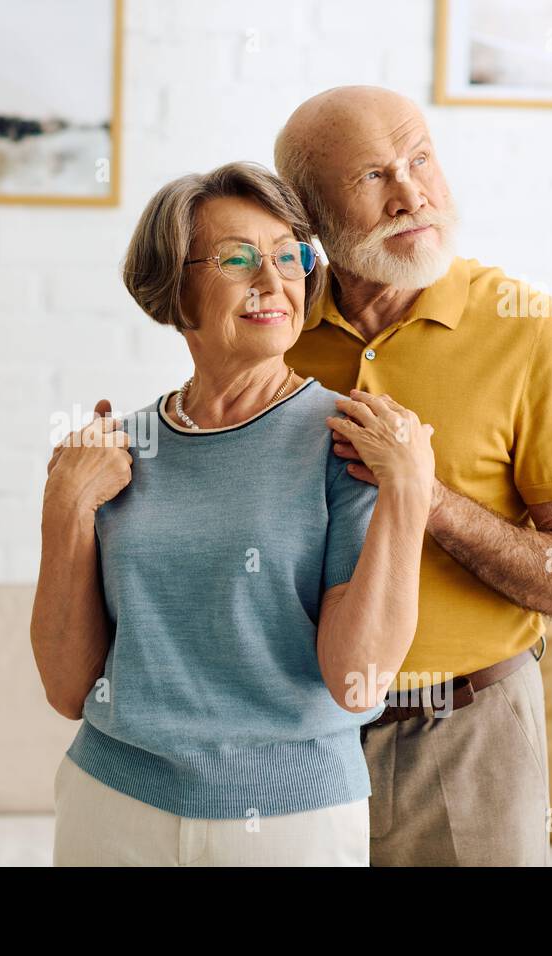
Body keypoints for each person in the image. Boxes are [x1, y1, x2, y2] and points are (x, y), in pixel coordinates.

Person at [32, 161, 436, 866]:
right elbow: (68, 688)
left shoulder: (349, 441)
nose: (273, 280)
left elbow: (356, 682)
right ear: (174, 285)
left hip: (292, 819)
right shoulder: (121, 450)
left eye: (289, 256)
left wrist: (408, 491)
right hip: (114, 801)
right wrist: (64, 509)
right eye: (239, 258)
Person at [271, 85, 552, 865]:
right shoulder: (275, 336)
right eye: (372, 177)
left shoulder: (531, 331)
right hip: (295, 740)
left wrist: (427, 500)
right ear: (307, 217)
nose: (413, 193)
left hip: (470, 737)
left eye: (420, 157)